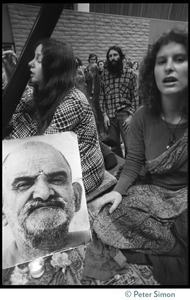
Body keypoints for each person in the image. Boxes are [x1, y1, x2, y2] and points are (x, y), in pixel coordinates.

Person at [92, 28, 188, 285]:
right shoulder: (143, 116)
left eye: (179, 59)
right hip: (154, 194)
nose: (169, 67)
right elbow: (133, 161)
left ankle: (171, 240)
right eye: (161, 61)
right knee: (106, 219)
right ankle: (174, 243)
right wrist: (119, 191)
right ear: (151, 73)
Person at [4, 38, 105, 196]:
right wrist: (13, 76)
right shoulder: (43, 92)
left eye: (38, 59)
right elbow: (13, 109)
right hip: (59, 166)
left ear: (53, 67)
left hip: (85, 172)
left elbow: (41, 152)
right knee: (20, 120)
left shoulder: (73, 101)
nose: (30, 63)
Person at [2, 140, 91, 269]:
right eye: (23, 185)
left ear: (76, 198)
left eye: (57, 180)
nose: (44, 193)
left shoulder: (99, 244)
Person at [99, 46, 139, 158]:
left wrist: (132, 116)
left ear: (120, 57)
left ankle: (131, 172)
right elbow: (102, 97)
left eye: (115, 55)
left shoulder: (130, 74)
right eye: (110, 56)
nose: (112, 58)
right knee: (115, 147)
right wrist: (104, 114)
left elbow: (135, 96)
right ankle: (119, 171)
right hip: (110, 116)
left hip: (125, 114)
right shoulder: (105, 75)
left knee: (130, 146)